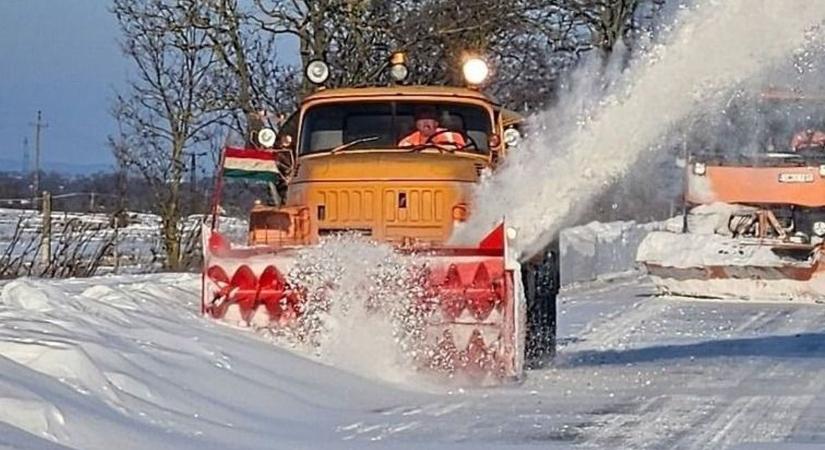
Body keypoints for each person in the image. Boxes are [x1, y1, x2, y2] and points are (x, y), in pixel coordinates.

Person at [398, 106, 466, 148]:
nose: (426, 122)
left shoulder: (453, 137)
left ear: (436, 123)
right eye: (421, 119)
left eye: (430, 118)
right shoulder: (406, 142)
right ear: (416, 124)